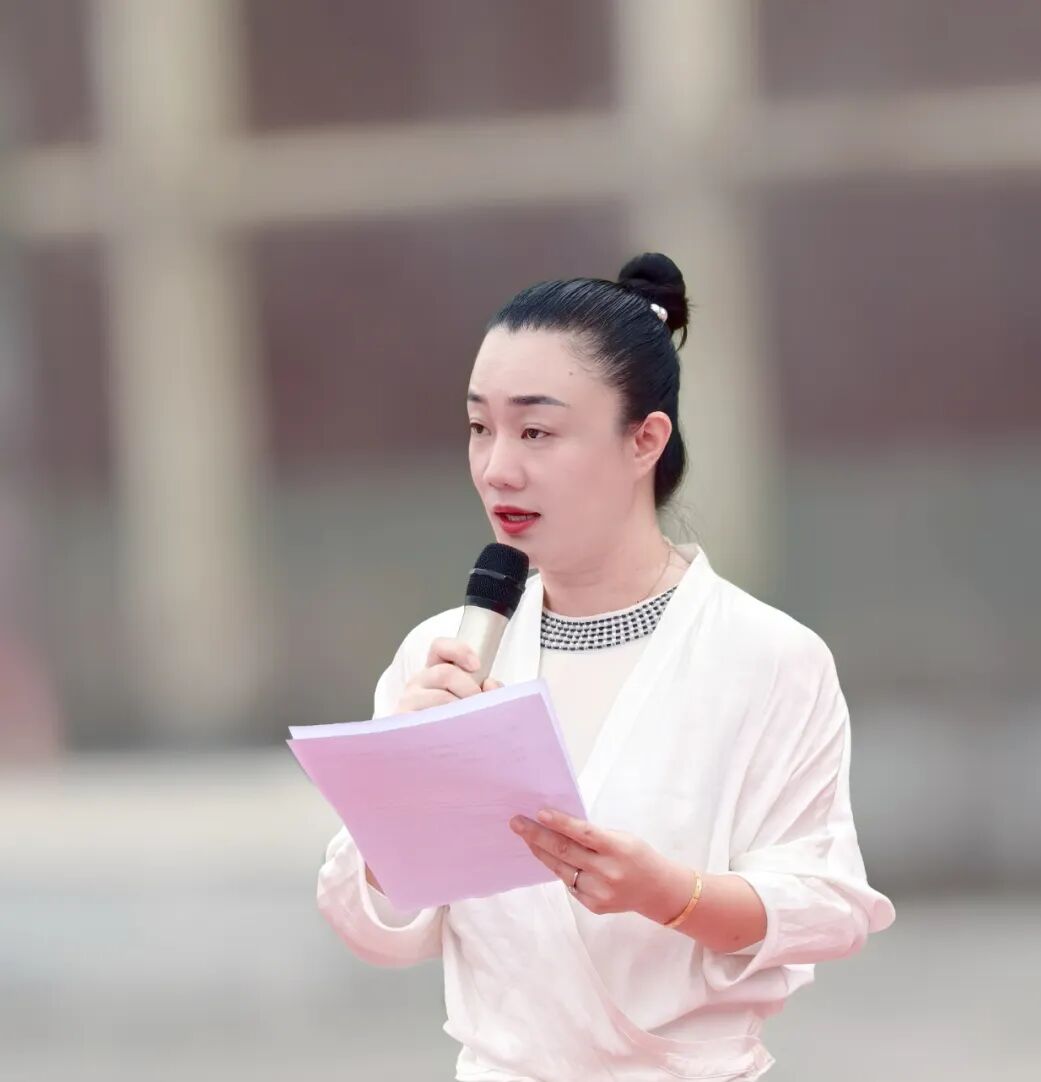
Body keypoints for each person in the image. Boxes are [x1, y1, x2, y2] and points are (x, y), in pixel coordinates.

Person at [316, 252, 896, 1081]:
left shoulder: (767, 657)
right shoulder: (441, 656)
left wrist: (667, 893)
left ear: (644, 440)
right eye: (480, 427)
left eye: (536, 431)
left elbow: (826, 904)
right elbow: (372, 928)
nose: (497, 467)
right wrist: (396, 788)